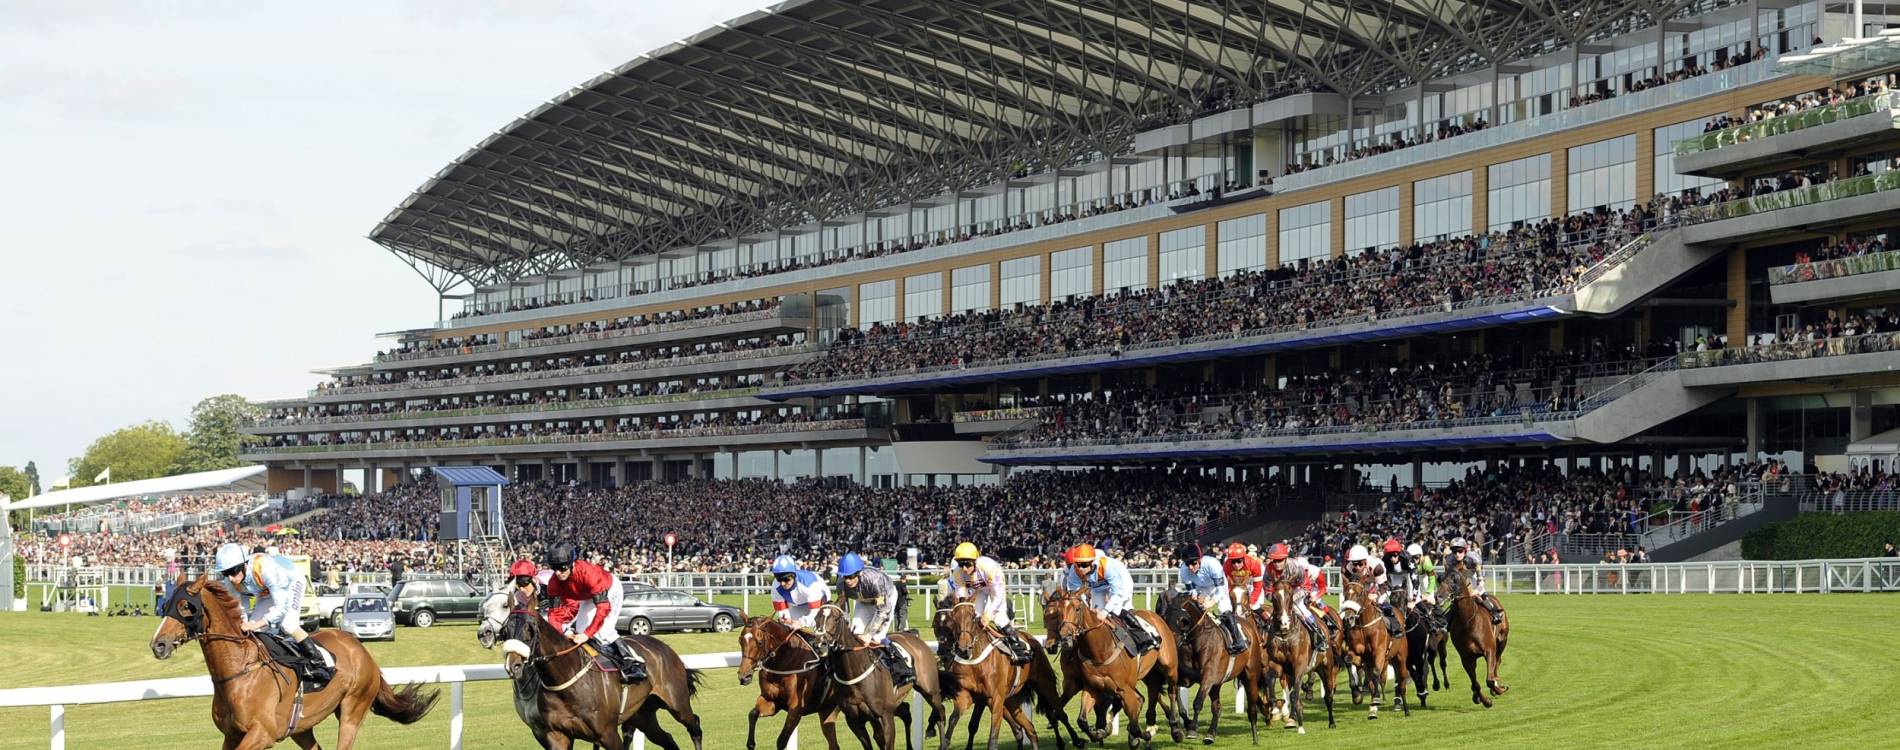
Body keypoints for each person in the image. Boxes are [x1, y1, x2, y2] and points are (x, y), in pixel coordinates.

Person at [213, 542, 333, 683]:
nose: (231, 578)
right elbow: (241, 607)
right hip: (267, 592)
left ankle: (319, 663)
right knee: (254, 631)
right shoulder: (231, 581)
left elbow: (281, 608)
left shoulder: (264, 567)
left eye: (233, 571)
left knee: (288, 625)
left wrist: (257, 624)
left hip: (292, 582)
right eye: (226, 573)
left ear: (244, 565)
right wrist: (247, 622)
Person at [543, 542, 646, 682]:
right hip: (588, 596)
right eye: (554, 568)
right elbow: (554, 614)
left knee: (604, 631)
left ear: (572, 563)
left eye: (562, 568)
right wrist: (562, 633)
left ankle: (634, 662)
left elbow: (603, 609)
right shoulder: (553, 583)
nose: (557, 573)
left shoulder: (589, 574)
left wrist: (587, 634)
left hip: (610, 590)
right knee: (579, 630)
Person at [944, 542, 1033, 663]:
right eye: (961, 564)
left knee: (999, 618)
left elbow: (998, 595)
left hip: (995, 592)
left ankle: (1018, 647)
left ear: (975, 561)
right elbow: (963, 599)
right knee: (972, 616)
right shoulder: (958, 572)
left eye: (967, 564)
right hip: (979, 591)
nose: (964, 568)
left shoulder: (989, 568)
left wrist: (987, 616)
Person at [1060, 543, 1154, 653]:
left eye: (1084, 565)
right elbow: (1075, 596)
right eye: (1077, 564)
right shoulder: (1074, 571)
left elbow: (1118, 592)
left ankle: (1146, 636)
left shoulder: (1108, 566)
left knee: (1116, 609)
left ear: (1092, 562)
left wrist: (1105, 611)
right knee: (1094, 614)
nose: (1080, 568)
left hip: (1121, 583)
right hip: (1098, 587)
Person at [836, 552, 914, 685]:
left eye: (850, 576)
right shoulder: (841, 584)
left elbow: (883, 610)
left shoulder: (874, 580)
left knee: (877, 637)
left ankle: (901, 667)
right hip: (863, 602)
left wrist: (870, 634)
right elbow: (845, 609)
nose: (847, 580)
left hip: (886, 599)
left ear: (859, 573)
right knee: (854, 635)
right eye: (845, 577)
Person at [1176, 543, 1247, 654]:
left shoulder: (1212, 564)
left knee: (1223, 610)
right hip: (1201, 588)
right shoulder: (1183, 570)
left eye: (1193, 563)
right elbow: (1191, 589)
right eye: (1187, 564)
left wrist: (1212, 601)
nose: (1190, 567)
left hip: (1217, 586)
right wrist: (1195, 596)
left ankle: (1239, 641)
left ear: (1200, 559)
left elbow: (1220, 589)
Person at [1262, 543, 1329, 653]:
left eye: (1280, 560)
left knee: (1301, 609)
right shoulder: (1268, 570)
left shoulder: (1295, 567)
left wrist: (1292, 598)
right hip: (1280, 594)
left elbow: (1306, 586)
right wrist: (1278, 599)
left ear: (1286, 559)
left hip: (1297, 590)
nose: (1277, 564)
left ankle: (1319, 636)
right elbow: (1267, 591)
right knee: (1275, 614)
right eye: (1274, 561)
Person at [1343, 543, 1401, 638]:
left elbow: (1384, 586)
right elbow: (1350, 586)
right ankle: (1345, 630)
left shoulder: (1377, 567)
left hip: (1378, 583)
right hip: (1363, 584)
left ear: (1365, 561)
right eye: (1354, 564)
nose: (1357, 567)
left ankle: (1395, 628)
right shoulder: (1349, 567)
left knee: (1381, 602)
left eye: (1360, 564)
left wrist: (1376, 594)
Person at [1442, 537, 1504, 625]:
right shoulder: (1449, 559)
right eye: (1454, 552)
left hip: (1473, 575)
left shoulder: (1473, 556)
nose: (1457, 554)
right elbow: (1449, 577)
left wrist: (1476, 588)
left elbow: (1480, 577)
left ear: (1465, 550)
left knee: (1481, 592)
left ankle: (1494, 612)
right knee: (1456, 600)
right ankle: (1447, 622)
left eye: (1460, 551)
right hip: (1460, 578)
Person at [769, 554, 830, 630]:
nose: (782, 583)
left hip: (819, 600)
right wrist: (785, 619)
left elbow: (816, 612)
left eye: (786, 579)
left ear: (794, 575)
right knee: (789, 627)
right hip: (795, 604)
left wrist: (802, 622)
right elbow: (782, 611)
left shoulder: (810, 585)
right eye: (779, 579)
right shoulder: (776, 585)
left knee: (817, 627)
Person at [1223, 542, 1267, 623]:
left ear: (1243, 558)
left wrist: (1252, 600)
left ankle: (1268, 622)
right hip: (1236, 586)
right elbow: (1226, 585)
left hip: (1251, 584)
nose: (1236, 565)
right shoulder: (1226, 565)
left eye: (1239, 561)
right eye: (1233, 562)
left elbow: (1258, 586)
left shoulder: (1254, 564)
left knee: (1254, 606)